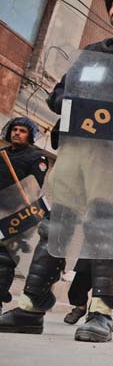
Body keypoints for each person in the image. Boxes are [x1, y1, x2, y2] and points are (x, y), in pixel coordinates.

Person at [0, 0, 113, 342]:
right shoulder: (91, 53)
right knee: (56, 224)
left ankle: (102, 313)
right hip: (78, 145)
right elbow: (58, 93)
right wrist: (74, 102)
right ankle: (31, 306)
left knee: (106, 225)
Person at [0, 117, 49, 314]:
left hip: (15, 216)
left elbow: (33, 187)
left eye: (22, 131)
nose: (17, 133)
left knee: (3, 260)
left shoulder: (36, 157)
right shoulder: (2, 155)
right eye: (15, 129)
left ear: (30, 136)